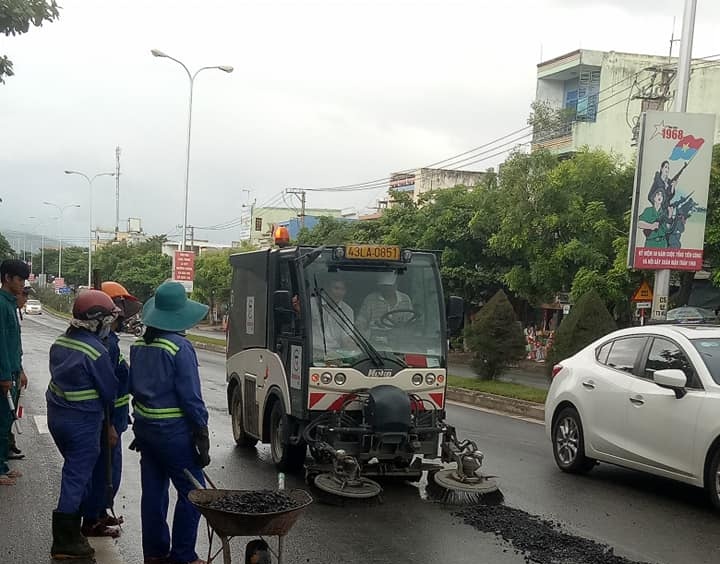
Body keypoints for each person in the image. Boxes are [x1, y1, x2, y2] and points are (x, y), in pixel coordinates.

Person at [129, 281, 210, 564]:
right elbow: (191, 397)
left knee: (153, 492)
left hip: (145, 430)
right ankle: (184, 555)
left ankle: (154, 553)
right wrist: (201, 432)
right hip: (174, 434)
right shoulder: (179, 347)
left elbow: (133, 388)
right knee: (194, 492)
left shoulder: (139, 345)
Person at [47, 290, 120, 560]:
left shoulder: (60, 342)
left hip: (57, 417)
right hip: (83, 422)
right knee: (76, 476)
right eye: (108, 321)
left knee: (77, 473)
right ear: (97, 321)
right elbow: (109, 391)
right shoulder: (96, 351)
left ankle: (73, 531)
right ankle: (65, 541)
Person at [81, 281, 142, 537]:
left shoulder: (109, 340)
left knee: (107, 471)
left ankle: (100, 512)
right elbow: (106, 388)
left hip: (114, 417)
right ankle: (92, 519)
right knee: (105, 471)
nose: (122, 312)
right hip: (107, 420)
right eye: (118, 306)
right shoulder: (105, 344)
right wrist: (110, 426)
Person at [0, 259, 29, 486]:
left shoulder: (11, 304)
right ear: (7, 278)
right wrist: (3, 374)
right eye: (19, 279)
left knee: (6, 420)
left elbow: (13, 343)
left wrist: (19, 371)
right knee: (0, 421)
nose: (22, 284)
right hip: (4, 375)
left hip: (12, 372)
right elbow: (1, 343)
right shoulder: (1, 304)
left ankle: (3, 464)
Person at [7, 281, 32, 461]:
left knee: (10, 415)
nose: (26, 299)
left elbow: (16, 348)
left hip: (14, 370)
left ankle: (8, 445)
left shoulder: (13, 312)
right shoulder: (5, 310)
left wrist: (20, 370)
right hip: (7, 373)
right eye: (24, 295)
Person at [311, 277, 357, 354]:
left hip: (336, 354)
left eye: (342, 289)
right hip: (313, 352)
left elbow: (347, 336)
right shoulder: (311, 304)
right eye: (336, 288)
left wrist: (352, 344)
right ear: (327, 289)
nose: (339, 292)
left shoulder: (347, 310)